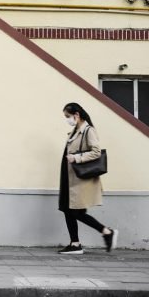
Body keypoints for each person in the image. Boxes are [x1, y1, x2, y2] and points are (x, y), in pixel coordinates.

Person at [57, 102, 117, 254]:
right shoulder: (75, 131)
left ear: (76, 115)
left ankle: (106, 231)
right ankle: (75, 243)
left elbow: (96, 152)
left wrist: (77, 158)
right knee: (67, 209)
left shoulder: (88, 130)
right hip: (69, 177)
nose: (67, 119)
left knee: (77, 212)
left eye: (67, 116)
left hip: (80, 179)